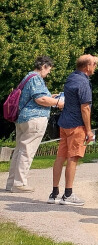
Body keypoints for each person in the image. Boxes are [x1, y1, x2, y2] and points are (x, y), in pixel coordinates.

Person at [5, 56, 64, 194]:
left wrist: (51, 96)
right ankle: (20, 183)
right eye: (48, 69)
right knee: (27, 151)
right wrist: (58, 103)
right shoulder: (36, 78)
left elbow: (38, 96)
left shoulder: (28, 77)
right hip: (35, 119)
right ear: (44, 66)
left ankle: (12, 183)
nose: (48, 72)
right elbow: (40, 99)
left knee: (19, 150)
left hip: (22, 119)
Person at [49, 54, 98, 206]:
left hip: (64, 123)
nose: (95, 68)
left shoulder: (71, 77)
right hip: (77, 125)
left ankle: (54, 193)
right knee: (73, 158)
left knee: (60, 157)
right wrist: (89, 131)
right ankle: (68, 194)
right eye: (94, 65)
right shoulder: (83, 83)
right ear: (87, 67)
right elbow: (85, 108)